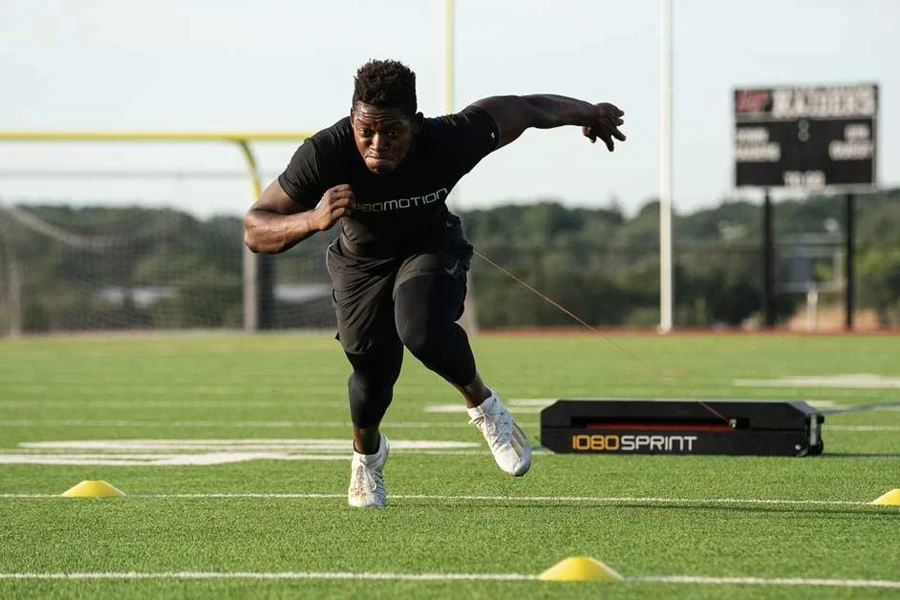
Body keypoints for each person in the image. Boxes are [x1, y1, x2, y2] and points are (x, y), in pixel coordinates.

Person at [244, 59, 626, 508]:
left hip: (430, 244)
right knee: (372, 374)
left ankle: (485, 409)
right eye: (367, 131)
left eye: (393, 133)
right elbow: (255, 228)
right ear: (352, 121)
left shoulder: (450, 138)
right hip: (361, 263)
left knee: (421, 328)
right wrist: (312, 218)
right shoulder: (325, 152)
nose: (378, 144)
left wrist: (589, 114)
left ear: (417, 126)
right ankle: (366, 458)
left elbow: (527, 109)